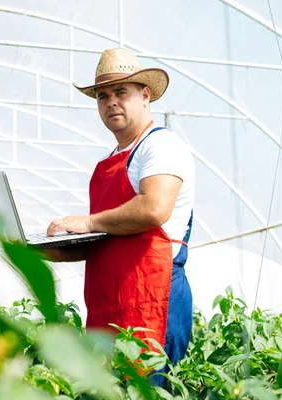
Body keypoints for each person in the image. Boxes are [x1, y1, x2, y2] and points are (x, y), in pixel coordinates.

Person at [44, 48, 195, 385]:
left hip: (152, 298)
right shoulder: (113, 157)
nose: (111, 101)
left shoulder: (161, 146)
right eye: (102, 95)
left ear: (145, 95)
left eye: (121, 92)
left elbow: (154, 209)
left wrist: (87, 221)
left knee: (149, 389)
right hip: (111, 302)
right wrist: (43, 249)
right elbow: (107, 239)